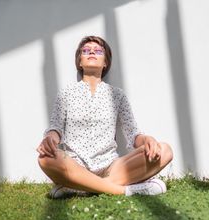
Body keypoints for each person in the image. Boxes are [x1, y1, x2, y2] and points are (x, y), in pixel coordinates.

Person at [37, 35, 173, 198]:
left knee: (165, 150)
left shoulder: (117, 95)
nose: (92, 52)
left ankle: (77, 186)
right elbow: (55, 128)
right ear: (80, 61)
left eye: (98, 50)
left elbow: (133, 133)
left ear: (105, 62)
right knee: (45, 159)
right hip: (74, 164)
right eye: (86, 50)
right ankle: (125, 190)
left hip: (111, 167)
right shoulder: (66, 93)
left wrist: (148, 140)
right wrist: (50, 140)